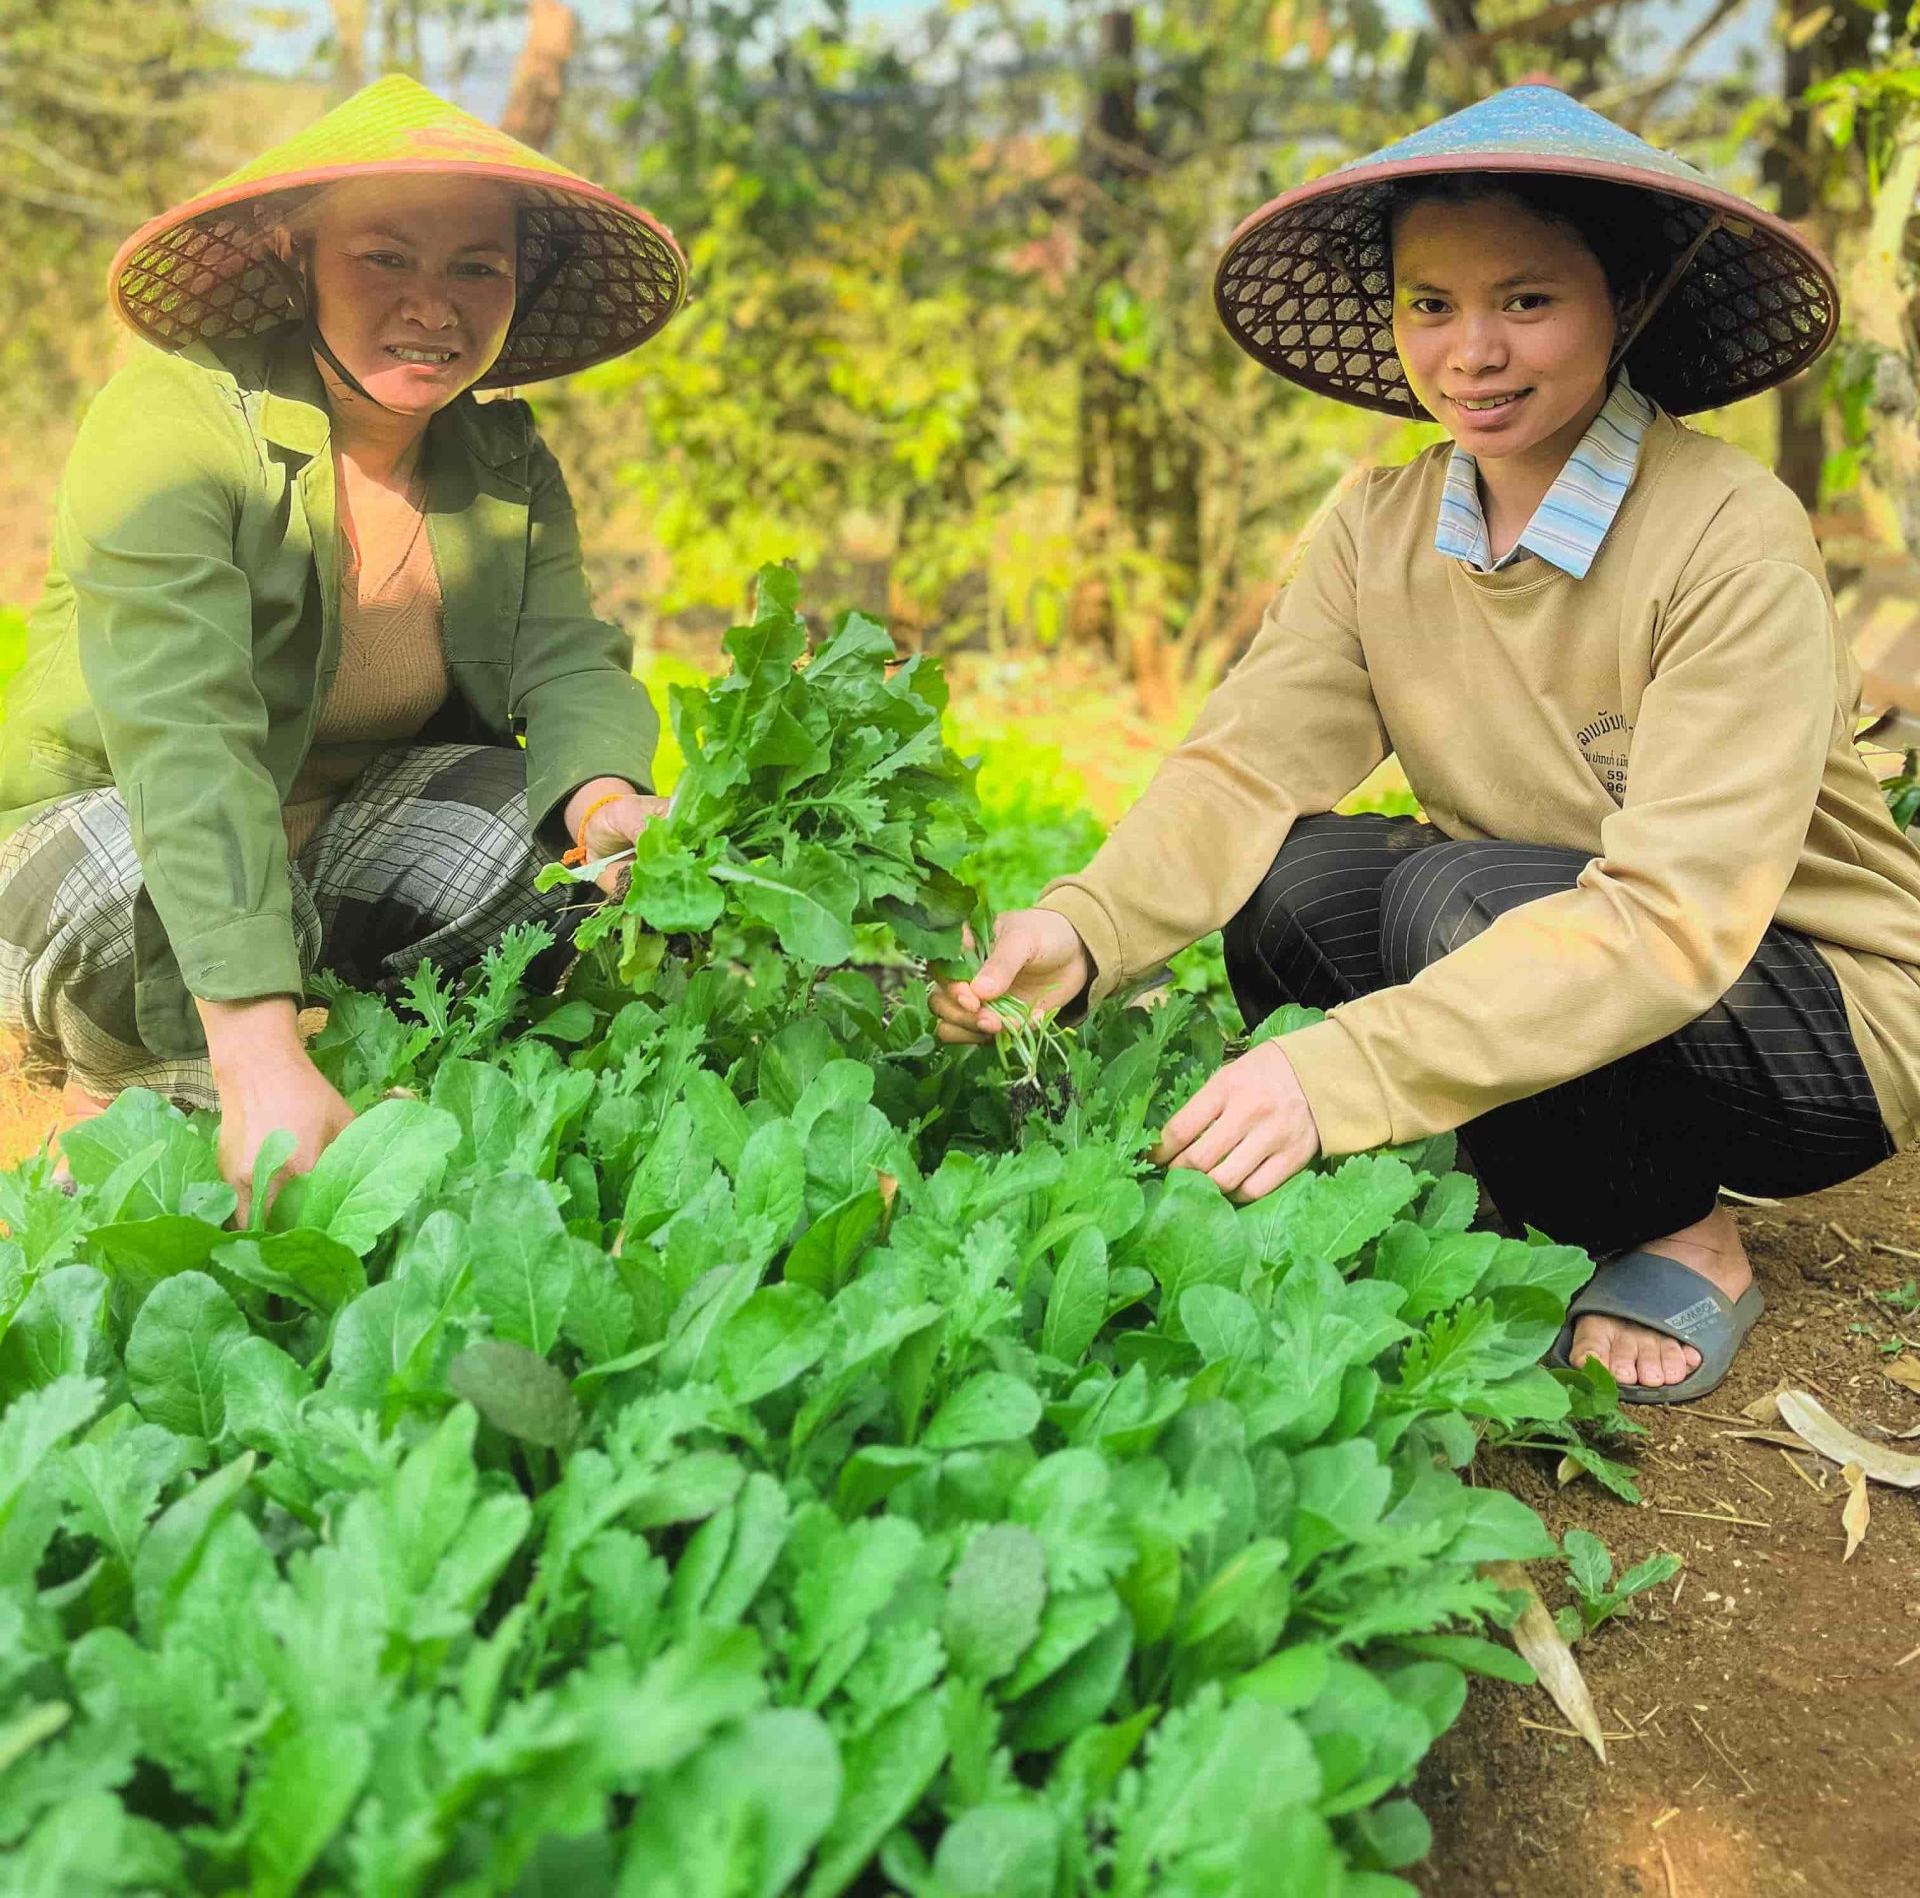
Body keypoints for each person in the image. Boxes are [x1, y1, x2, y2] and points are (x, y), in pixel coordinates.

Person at [932, 79, 1920, 1404]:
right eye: (1430, 306)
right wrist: (1087, 928)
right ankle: (1519, 1170)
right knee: (1294, 884)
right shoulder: (1377, 530)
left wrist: (1348, 1071)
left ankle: (1682, 1232)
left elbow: (1677, 919)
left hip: (1809, 1007)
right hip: (1549, 938)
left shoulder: (1727, 532)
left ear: (1622, 306)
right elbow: (1243, 765)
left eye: (1527, 301)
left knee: (1457, 899)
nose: (1473, 354)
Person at [0, 72, 686, 1213]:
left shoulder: (505, 463)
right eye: (385, 256)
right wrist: (256, 1045)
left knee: (525, 828)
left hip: (326, 854)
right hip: (113, 836)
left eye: (479, 265)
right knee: (145, 869)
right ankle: (144, 1091)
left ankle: (310, 1028)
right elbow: (185, 735)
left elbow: (565, 656)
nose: (435, 304)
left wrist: (610, 807)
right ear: (293, 256)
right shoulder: (173, 421)